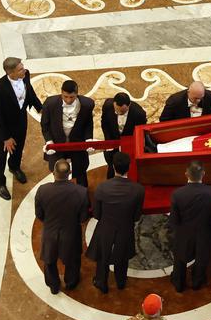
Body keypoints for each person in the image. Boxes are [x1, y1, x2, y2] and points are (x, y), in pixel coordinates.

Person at [87, 152, 144, 293]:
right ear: (129, 167)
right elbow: (136, 217)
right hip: (125, 229)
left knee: (103, 257)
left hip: (105, 228)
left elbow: (97, 214)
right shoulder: (138, 190)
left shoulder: (102, 187)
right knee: (122, 258)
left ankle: (101, 282)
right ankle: (121, 282)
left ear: (113, 167)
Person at [33, 157, 89, 297]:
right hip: (71, 234)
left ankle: (53, 286)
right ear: (69, 173)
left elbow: (39, 214)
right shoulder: (81, 192)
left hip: (50, 234)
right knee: (73, 261)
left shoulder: (42, 190)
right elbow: (83, 218)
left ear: (53, 172)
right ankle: (71, 283)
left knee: (50, 262)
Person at [0, 57, 42, 199]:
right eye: (20, 69)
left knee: (18, 148)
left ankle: (14, 166)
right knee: (1, 155)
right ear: (10, 72)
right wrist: (6, 138)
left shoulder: (25, 75)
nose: (24, 70)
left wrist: (40, 107)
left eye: (23, 66)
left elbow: (29, 92)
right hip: (5, 128)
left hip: (21, 121)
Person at [168, 161, 211, 292]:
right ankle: (197, 282)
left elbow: (174, 220)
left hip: (184, 233)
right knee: (201, 259)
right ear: (203, 174)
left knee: (180, 259)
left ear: (186, 174)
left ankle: (179, 283)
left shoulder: (177, 194)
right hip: (204, 232)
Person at [39, 79, 95, 187]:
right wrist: (49, 141)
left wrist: (88, 139)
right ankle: (59, 192)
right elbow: (45, 125)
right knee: (58, 171)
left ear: (77, 94)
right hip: (57, 143)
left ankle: (83, 194)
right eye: (65, 96)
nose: (68, 100)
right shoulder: (50, 103)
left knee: (80, 171)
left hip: (78, 142)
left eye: (72, 97)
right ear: (61, 93)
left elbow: (89, 123)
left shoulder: (87, 104)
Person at [101, 92, 147, 178]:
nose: (118, 113)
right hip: (112, 142)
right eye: (116, 110)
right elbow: (104, 124)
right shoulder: (107, 105)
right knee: (111, 167)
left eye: (121, 112)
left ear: (128, 106)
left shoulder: (139, 114)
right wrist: (108, 140)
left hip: (128, 145)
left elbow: (140, 133)